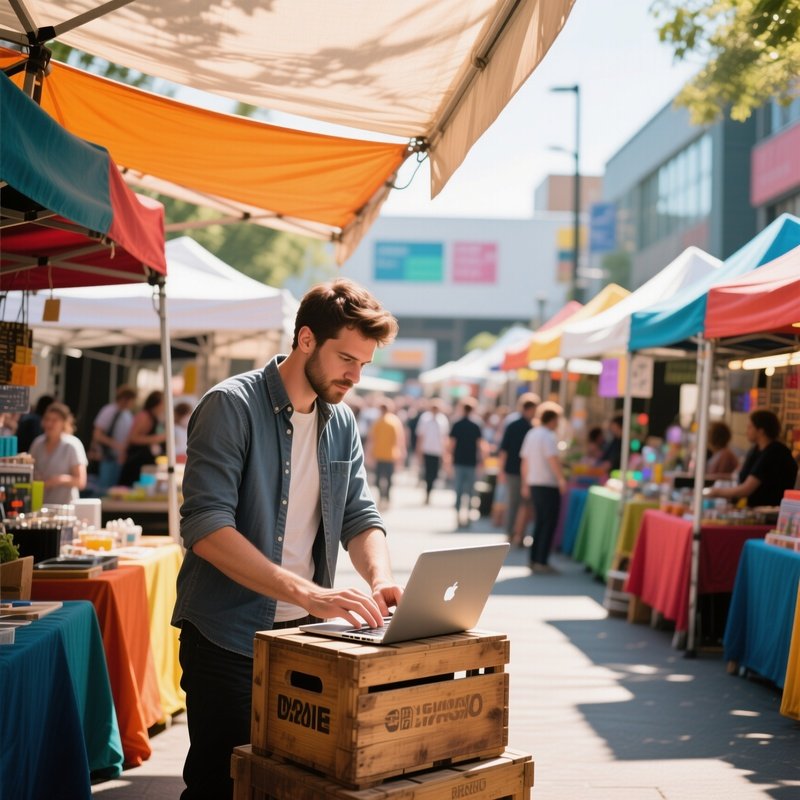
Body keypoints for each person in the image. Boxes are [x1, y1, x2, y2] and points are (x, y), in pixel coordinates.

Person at [171, 278, 403, 800]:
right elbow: (206, 527)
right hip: (227, 638)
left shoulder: (340, 420)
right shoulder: (230, 405)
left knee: (292, 784)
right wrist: (311, 594)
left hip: (303, 638)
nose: (355, 375)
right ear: (304, 340)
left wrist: (381, 578)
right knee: (220, 786)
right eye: (346, 358)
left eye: (363, 364)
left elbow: (359, 514)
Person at [707, 409, 797, 507]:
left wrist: (715, 492)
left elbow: (746, 489)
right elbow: (738, 476)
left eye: (750, 427)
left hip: (770, 512)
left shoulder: (774, 452)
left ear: (761, 430)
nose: (746, 431)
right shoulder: (756, 450)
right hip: (756, 508)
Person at [520, 406, 567, 574]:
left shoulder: (532, 434)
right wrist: (561, 479)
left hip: (534, 482)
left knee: (540, 521)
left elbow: (524, 461)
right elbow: (552, 459)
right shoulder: (548, 436)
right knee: (548, 522)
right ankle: (541, 560)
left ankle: (534, 558)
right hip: (547, 484)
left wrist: (525, 483)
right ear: (553, 420)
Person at [497, 394, 539, 544]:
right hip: (518, 471)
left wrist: (501, 470)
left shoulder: (522, 426)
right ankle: (515, 534)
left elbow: (503, 450)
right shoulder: (529, 427)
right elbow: (504, 450)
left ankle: (515, 533)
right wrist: (501, 470)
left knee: (518, 503)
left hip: (515, 470)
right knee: (520, 503)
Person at [29, 402, 88, 506]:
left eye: (54, 420)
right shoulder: (37, 443)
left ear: (64, 423)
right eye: (47, 419)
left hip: (65, 508)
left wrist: (60, 480)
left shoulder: (72, 445)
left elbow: (81, 481)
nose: (49, 424)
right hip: (40, 506)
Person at [91, 384, 137, 492]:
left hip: (119, 459)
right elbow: (97, 435)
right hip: (107, 457)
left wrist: (122, 451)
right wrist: (117, 446)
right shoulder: (109, 411)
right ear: (126, 399)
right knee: (103, 490)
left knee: (113, 489)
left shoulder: (127, 415)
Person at [118, 390, 166, 487]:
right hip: (136, 462)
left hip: (145, 462)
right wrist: (156, 439)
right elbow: (132, 438)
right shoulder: (144, 416)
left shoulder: (155, 417)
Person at [449, 398, 484, 528]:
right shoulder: (476, 425)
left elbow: (452, 444)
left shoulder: (457, 424)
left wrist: (449, 459)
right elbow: (480, 445)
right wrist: (481, 460)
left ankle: (458, 515)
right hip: (471, 461)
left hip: (459, 460)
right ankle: (468, 515)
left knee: (458, 489)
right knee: (470, 490)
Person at [367, 399, 406, 508]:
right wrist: (401, 454)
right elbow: (400, 439)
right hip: (391, 455)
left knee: (379, 478)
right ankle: (387, 497)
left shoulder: (377, 422)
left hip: (379, 454)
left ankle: (381, 496)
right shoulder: (395, 421)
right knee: (389, 478)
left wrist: (369, 454)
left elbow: (371, 439)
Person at [415, 399, 450, 503]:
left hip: (437, 451)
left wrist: (445, 453)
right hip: (427, 450)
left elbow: (445, 438)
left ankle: (429, 491)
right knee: (427, 473)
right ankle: (427, 491)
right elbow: (421, 435)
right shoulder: (425, 418)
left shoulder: (443, 420)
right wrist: (419, 450)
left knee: (434, 474)